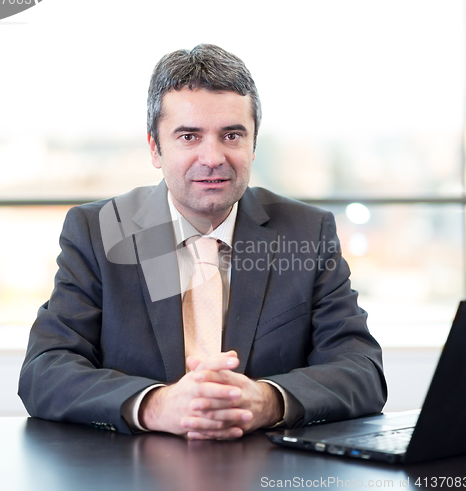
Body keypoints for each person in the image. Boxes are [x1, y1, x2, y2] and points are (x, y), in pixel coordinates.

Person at [19, 44, 387, 439]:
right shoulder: (101, 230)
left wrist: (268, 400)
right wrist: (156, 405)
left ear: (253, 145)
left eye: (231, 135)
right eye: (189, 136)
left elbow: (362, 370)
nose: (212, 157)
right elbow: (45, 370)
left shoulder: (306, 232)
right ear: (155, 148)